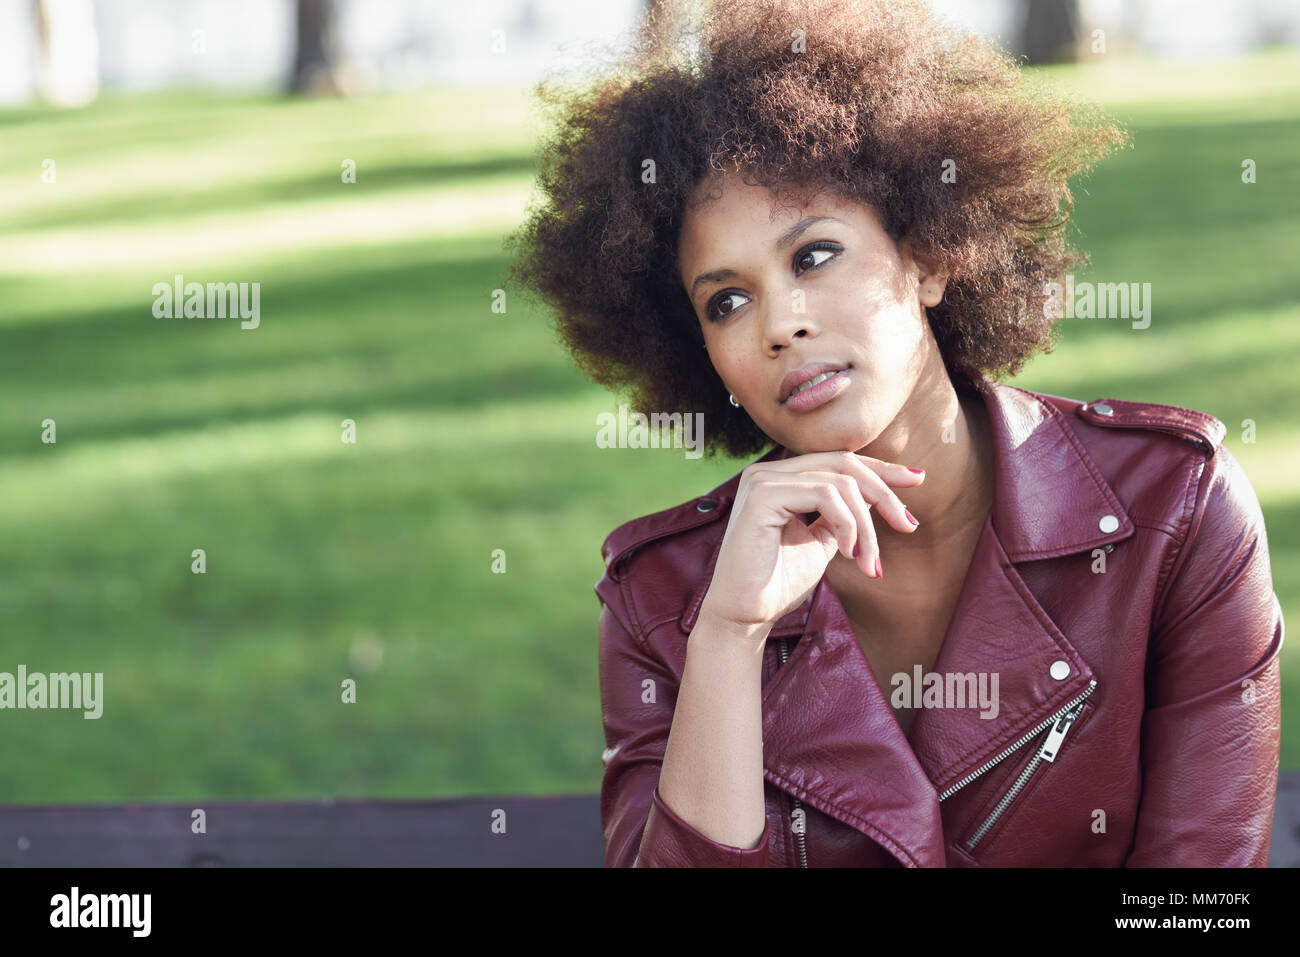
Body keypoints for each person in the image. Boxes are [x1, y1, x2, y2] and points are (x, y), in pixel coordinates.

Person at [506, 0, 1283, 866]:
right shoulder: (665, 600)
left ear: (930, 255)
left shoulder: (1169, 508)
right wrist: (728, 635)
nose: (780, 324)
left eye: (814, 255)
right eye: (727, 300)